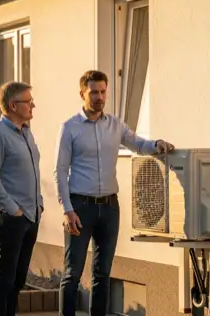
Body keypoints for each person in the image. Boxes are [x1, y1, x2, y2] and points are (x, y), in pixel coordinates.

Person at [54, 70, 174, 316]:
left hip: (109, 208)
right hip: (80, 208)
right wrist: (67, 210)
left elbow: (138, 144)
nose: (99, 97)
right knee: (72, 273)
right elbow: (59, 172)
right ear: (82, 94)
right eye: (94, 92)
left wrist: (157, 144)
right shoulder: (69, 128)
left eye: (102, 91)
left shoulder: (115, 124)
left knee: (102, 274)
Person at [0, 81, 44, 316]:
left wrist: (39, 205)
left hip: (30, 216)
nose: (33, 105)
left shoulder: (26, 132)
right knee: (3, 282)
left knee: (16, 282)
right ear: (13, 105)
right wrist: (13, 209)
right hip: (8, 218)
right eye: (28, 101)